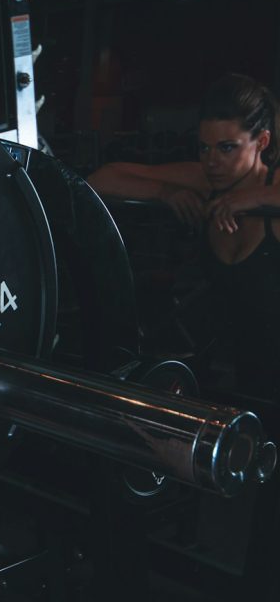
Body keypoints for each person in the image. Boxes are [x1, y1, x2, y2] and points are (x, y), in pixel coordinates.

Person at [87, 73, 280, 406]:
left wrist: (250, 200)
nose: (212, 160)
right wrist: (165, 191)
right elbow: (101, 178)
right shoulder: (207, 180)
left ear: (262, 142)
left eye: (227, 148)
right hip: (235, 376)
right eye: (204, 147)